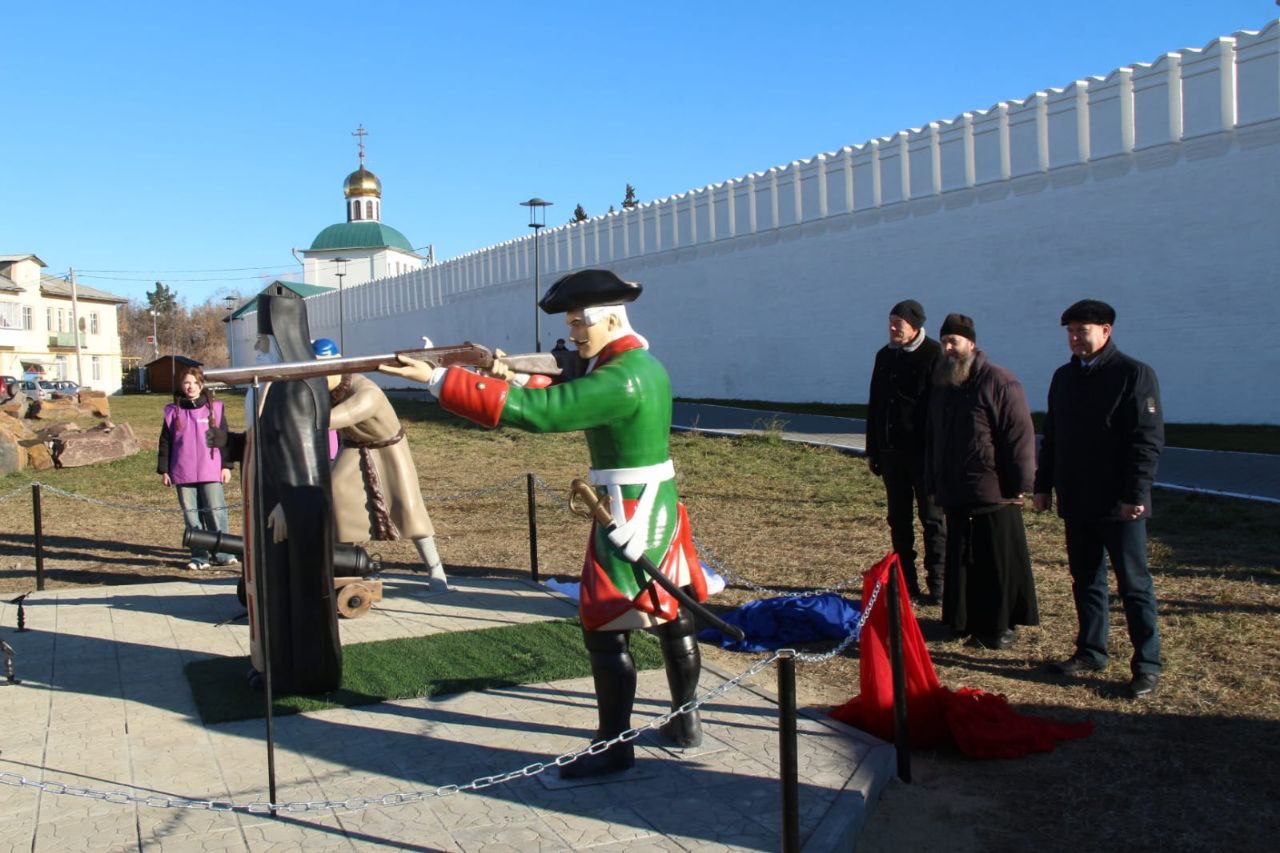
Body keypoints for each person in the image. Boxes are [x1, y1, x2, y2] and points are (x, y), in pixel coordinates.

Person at [382, 268, 708, 778]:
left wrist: (440, 379)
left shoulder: (620, 377)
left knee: (604, 626)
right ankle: (686, 722)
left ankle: (614, 745)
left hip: (629, 508)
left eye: (580, 324)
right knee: (673, 614)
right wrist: (503, 371)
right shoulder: (637, 365)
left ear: (609, 319)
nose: (575, 333)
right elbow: (557, 382)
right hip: (654, 500)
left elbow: (543, 411)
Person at [210, 285, 343, 694]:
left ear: (284, 336)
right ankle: (273, 664)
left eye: (263, 339)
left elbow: (306, 457)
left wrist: (294, 505)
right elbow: (265, 444)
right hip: (265, 501)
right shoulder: (268, 384)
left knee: (296, 591)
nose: (257, 346)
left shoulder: (300, 385)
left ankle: (301, 671)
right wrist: (229, 443)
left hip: (287, 509)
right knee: (271, 588)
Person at [1034, 299, 1164, 699]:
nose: (1074, 338)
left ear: (1106, 331)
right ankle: (1091, 650)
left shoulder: (1133, 374)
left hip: (1119, 505)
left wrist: (1135, 493)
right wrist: (1043, 484)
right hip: (1078, 499)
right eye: (1070, 331)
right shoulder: (1064, 378)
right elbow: (1052, 437)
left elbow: (1146, 440)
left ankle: (1146, 664)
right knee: (1086, 580)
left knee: (1133, 584)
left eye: (1082, 330)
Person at [926, 313, 1039, 650]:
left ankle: (1000, 626)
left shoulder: (999, 381)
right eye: (944, 341)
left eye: (954, 341)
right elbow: (935, 438)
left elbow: (1018, 435)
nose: (948, 348)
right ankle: (964, 621)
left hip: (994, 491)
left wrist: (1022, 482)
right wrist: (935, 481)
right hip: (957, 491)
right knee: (962, 561)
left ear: (971, 343)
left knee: (996, 562)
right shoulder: (944, 384)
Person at [313, 338, 449, 592]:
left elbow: (333, 419)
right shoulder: (328, 392)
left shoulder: (367, 393)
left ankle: (436, 571)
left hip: (389, 449)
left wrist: (295, 414)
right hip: (354, 447)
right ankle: (346, 564)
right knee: (334, 494)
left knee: (408, 508)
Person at [866, 299, 945, 604]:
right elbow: (876, 404)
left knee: (933, 519)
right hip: (891, 453)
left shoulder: (933, 354)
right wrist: (873, 448)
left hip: (924, 455)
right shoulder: (885, 356)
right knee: (898, 519)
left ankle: (937, 582)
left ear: (915, 326)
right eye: (890, 322)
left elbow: (939, 410)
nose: (892, 329)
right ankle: (905, 581)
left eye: (898, 323)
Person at [156, 365, 237, 570]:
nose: (190, 387)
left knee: (216, 512)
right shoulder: (172, 411)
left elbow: (224, 439)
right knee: (192, 516)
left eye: (194, 382)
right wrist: (164, 469)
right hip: (183, 471)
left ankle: (223, 553)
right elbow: (165, 442)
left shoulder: (214, 408)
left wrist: (226, 466)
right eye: (186, 383)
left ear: (201, 385)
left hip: (211, 469)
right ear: (181, 386)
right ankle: (199, 557)